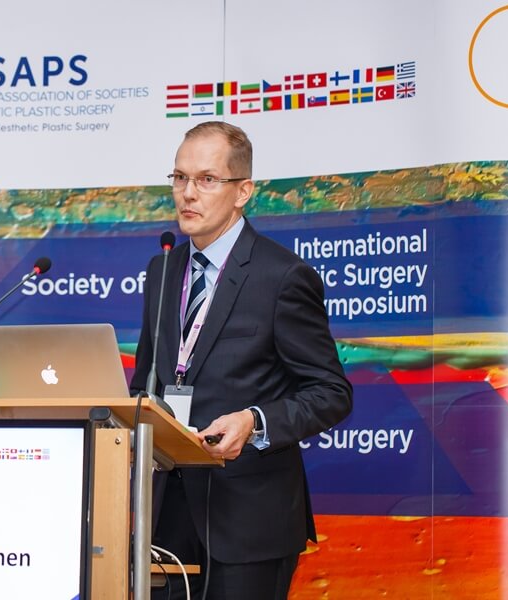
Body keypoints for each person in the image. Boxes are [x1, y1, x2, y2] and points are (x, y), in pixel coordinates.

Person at [130, 121, 353, 600]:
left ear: (243, 191)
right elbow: (146, 381)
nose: (188, 193)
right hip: (165, 517)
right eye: (179, 177)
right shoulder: (162, 269)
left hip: (250, 519)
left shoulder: (282, 276)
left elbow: (331, 393)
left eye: (207, 179)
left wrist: (254, 421)